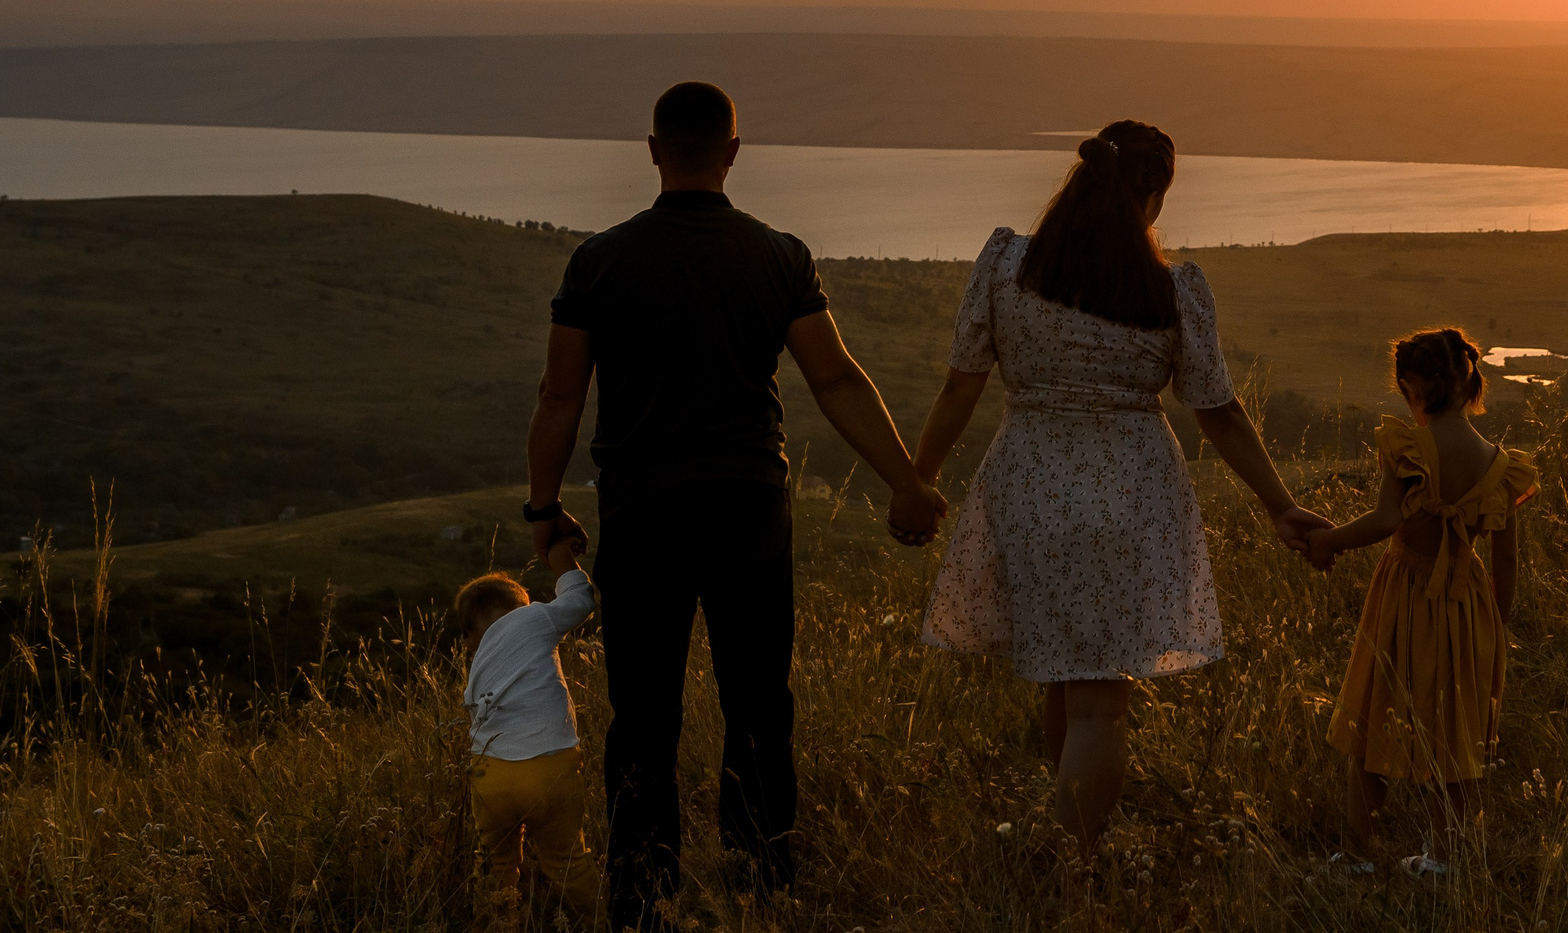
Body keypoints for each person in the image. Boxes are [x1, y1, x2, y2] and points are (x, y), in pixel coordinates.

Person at [525, 80, 948, 930]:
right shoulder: (778, 254)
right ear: (732, 152)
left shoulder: (598, 260)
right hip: (750, 504)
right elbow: (834, 378)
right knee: (758, 696)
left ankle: (641, 892)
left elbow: (560, 397)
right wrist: (906, 478)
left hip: (642, 509)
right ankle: (763, 878)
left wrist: (544, 508)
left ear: (652, 151)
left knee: (643, 710)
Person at [910, 119, 1331, 847]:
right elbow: (1220, 413)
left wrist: (915, 478)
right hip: (1132, 495)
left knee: (1062, 673)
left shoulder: (1009, 265)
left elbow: (959, 387)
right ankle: (1075, 860)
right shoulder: (1168, 290)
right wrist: (1281, 504)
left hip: (1031, 486)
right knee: (1100, 703)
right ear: (1154, 194)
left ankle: (1065, 845)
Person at [1308, 327, 1538, 875]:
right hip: (1467, 603)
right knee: (1453, 727)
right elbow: (1506, 560)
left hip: (1407, 592)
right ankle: (1445, 858)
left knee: (1374, 710)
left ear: (1414, 388)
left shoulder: (1408, 447)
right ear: (1467, 381)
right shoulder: (1503, 466)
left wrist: (1326, 540)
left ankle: (1359, 852)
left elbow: (1387, 519)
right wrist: (1495, 625)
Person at [457, 534, 602, 920]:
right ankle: (601, 922)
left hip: (490, 776)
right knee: (569, 861)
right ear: (521, 606)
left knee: (495, 864)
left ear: (469, 637)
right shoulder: (534, 617)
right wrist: (562, 561)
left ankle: (497, 923)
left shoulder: (476, 667)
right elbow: (581, 602)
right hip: (548, 766)